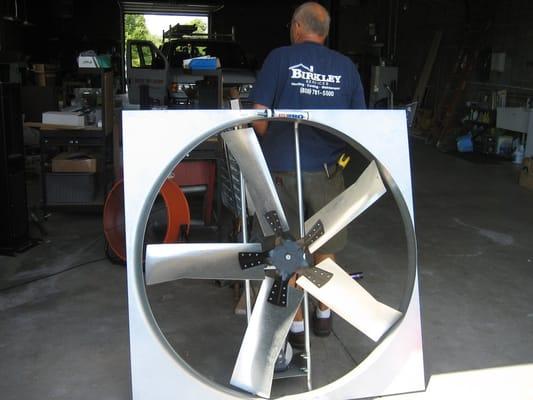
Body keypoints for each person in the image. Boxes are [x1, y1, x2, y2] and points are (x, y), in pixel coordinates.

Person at [249, 1, 366, 348]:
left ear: (298, 27)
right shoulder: (346, 67)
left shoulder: (280, 58)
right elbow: (360, 126)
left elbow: (258, 117)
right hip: (328, 173)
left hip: (283, 171)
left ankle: (295, 329)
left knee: (287, 250)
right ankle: (324, 315)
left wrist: (279, 142)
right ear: (325, 32)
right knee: (325, 248)